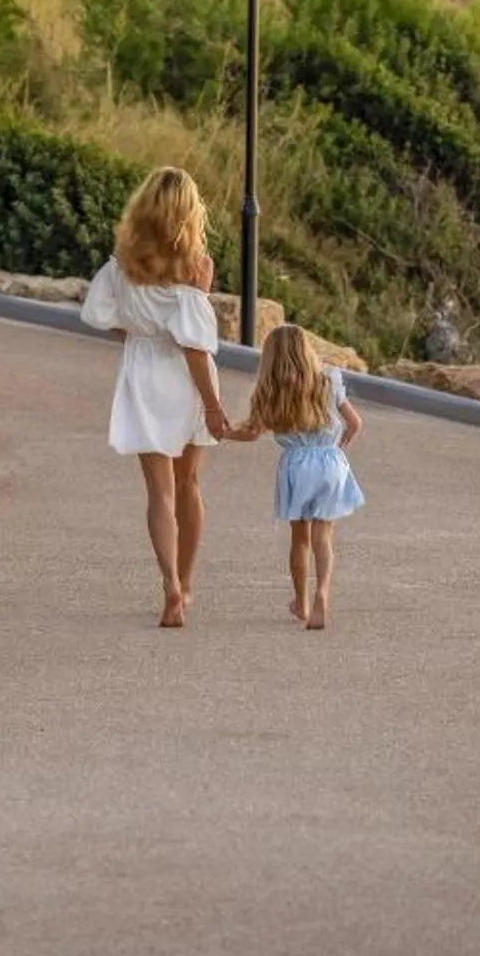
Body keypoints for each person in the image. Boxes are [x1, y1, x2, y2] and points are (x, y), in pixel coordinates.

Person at [81, 167, 234, 628]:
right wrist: (213, 406)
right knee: (189, 485)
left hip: (143, 372)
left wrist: (137, 332)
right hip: (188, 377)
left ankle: (168, 584)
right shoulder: (197, 266)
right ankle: (185, 585)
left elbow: (97, 313)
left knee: (159, 492)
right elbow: (194, 345)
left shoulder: (122, 263)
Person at [224, 322, 365, 630]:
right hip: (330, 461)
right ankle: (322, 592)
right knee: (323, 535)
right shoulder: (328, 380)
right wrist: (338, 446)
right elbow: (354, 422)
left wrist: (223, 432)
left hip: (296, 466)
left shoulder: (271, 389)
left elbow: (251, 433)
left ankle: (301, 602)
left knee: (300, 538)